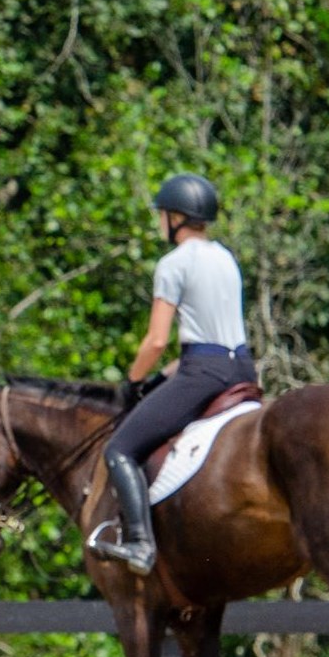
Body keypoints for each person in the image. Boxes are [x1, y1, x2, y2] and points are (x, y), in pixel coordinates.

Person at [90, 173, 256, 575]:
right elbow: (211, 337)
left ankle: (140, 544)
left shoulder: (173, 264)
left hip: (204, 373)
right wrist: (162, 378)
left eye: (161, 215)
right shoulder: (225, 258)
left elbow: (156, 341)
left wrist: (133, 381)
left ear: (176, 217)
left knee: (119, 449)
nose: (159, 222)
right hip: (241, 368)